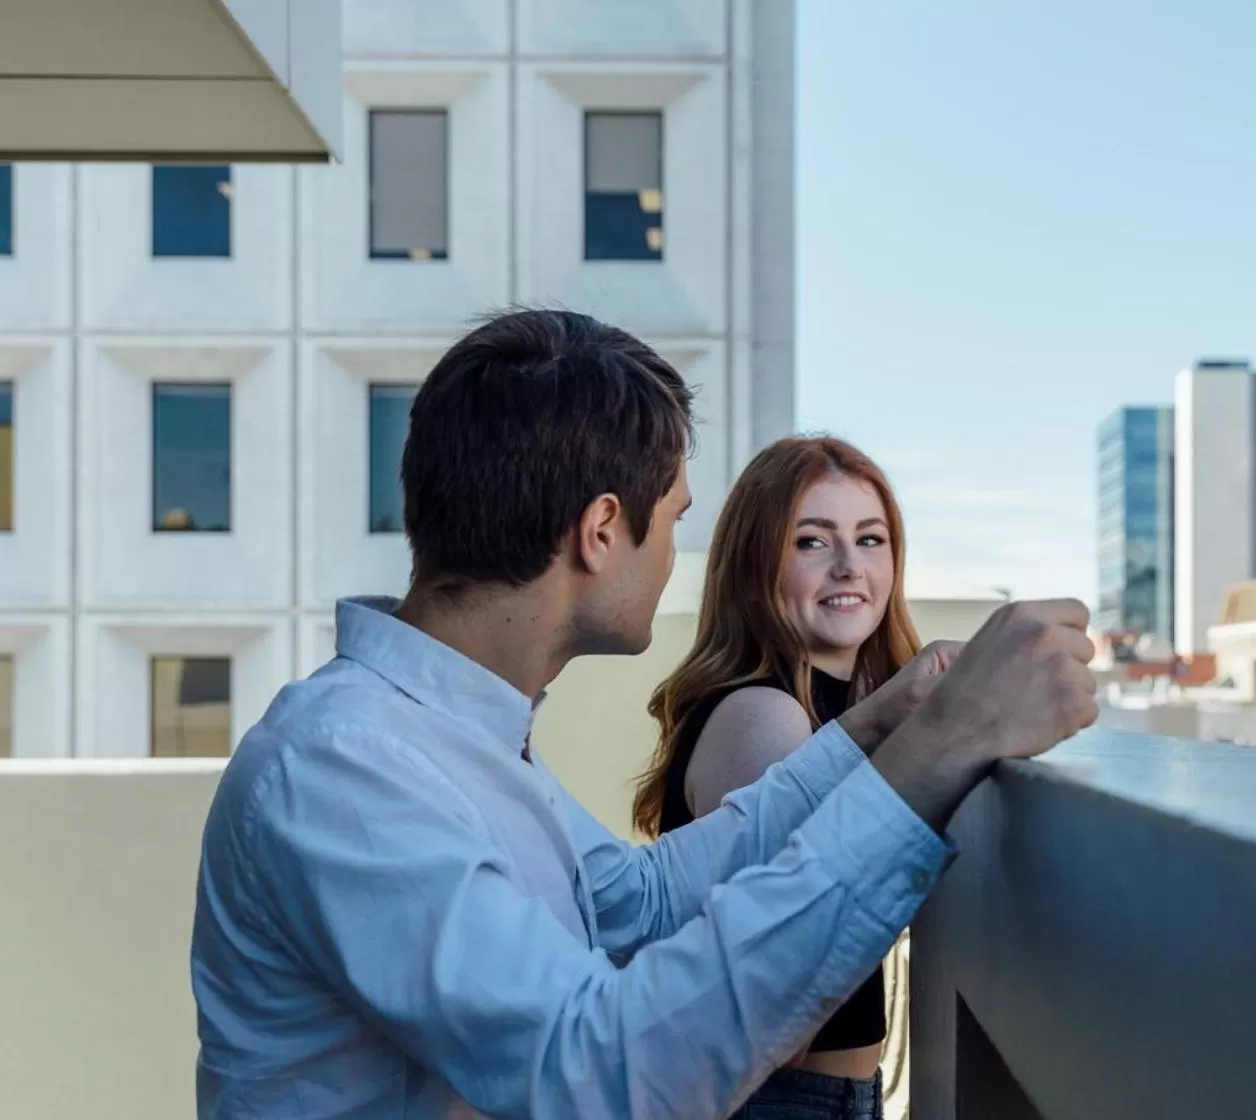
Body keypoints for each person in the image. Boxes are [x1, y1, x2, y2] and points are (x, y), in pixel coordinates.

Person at [189, 308, 1098, 1120]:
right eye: (672, 520)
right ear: (600, 530)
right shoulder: (346, 766)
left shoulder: (450, 736)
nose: (674, 557)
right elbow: (596, 1073)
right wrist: (937, 754)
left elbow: (637, 901)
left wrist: (874, 730)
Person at [634, 436, 918, 1118]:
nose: (850, 566)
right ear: (755, 564)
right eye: (813, 542)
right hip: (786, 1100)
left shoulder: (838, 712)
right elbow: (777, 989)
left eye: (871, 539)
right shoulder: (765, 715)